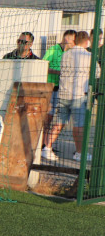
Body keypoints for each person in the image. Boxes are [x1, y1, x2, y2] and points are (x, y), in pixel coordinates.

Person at [44, 31, 93, 162]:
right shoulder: (89, 56)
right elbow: (97, 72)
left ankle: (47, 149)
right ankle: (79, 153)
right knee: (79, 126)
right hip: (78, 95)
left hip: (63, 94)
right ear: (87, 41)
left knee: (58, 123)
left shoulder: (65, 55)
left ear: (75, 40)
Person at [41, 30, 76, 158]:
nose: (73, 44)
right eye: (73, 41)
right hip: (51, 87)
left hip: (63, 90)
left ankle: (48, 145)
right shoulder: (54, 49)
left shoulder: (71, 53)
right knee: (48, 118)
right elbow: (44, 65)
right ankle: (44, 145)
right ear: (67, 39)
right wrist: (59, 73)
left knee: (61, 120)